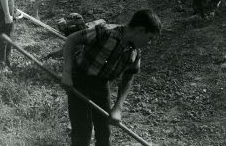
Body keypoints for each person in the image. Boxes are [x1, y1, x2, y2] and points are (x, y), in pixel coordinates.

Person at [61, 9, 162, 146]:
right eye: (149, 38)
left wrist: (117, 108)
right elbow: (71, 40)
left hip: (101, 86)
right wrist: (67, 73)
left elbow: (129, 78)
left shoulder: (135, 53)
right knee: (82, 133)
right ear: (140, 30)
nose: (149, 43)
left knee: (105, 134)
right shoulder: (105, 32)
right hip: (80, 80)